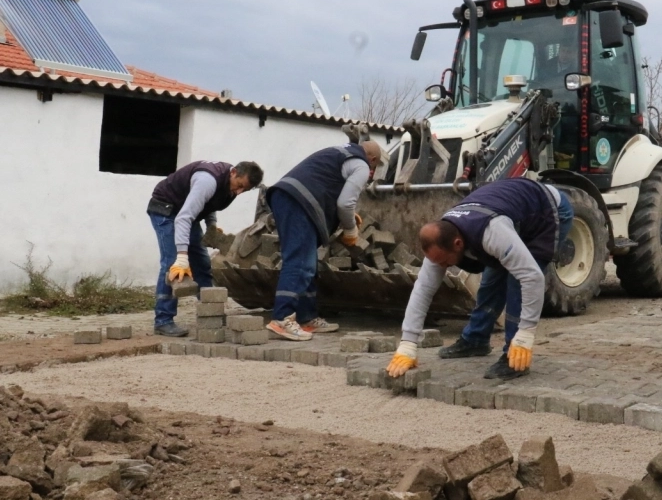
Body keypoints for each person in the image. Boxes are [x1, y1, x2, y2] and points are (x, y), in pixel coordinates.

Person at [386, 177, 574, 380]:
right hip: (511, 213)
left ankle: (515, 353)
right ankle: (475, 340)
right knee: (491, 280)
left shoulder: (491, 232)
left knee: (517, 282)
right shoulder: (441, 238)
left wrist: (526, 333)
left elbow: (532, 277)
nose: (441, 267)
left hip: (547, 211)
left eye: (444, 261)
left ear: (458, 244)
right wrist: (407, 344)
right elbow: (423, 289)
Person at [265, 140, 383, 341]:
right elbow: (345, 203)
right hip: (298, 202)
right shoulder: (362, 165)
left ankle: (307, 317)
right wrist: (350, 230)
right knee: (299, 261)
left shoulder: (338, 152)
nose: (371, 171)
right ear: (372, 160)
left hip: (288, 196)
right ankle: (282, 318)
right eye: (374, 166)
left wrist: (347, 214)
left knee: (309, 263)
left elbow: (325, 183)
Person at [148, 160, 264, 337]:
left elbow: (210, 203)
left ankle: (211, 314)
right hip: (166, 209)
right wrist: (182, 255)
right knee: (172, 264)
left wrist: (212, 226)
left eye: (245, 190)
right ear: (233, 173)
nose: (239, 192)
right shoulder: (207, 180)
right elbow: (183, 218)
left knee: (202, 263)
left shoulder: (230, 185)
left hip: (186, 214)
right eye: (239, 185)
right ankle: (163, 321)